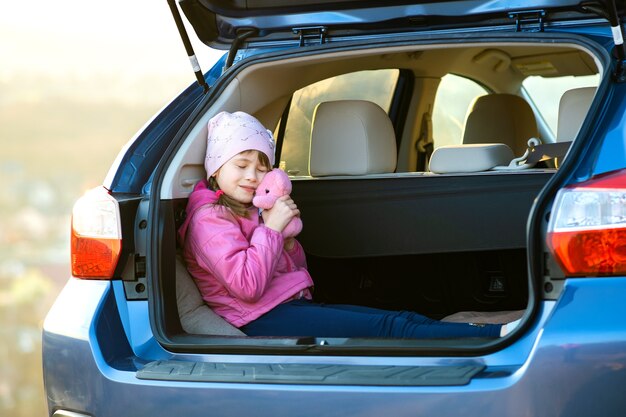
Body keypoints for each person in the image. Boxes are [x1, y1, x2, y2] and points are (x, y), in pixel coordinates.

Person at [178, 111, 519, 338]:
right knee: (390, 327)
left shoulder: (248, 209)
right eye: (241, 165)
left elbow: (291, 273)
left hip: (285, 307)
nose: (252, 176)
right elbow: (247, 285)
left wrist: (287, 241)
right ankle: (498, 337)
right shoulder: (209, 219)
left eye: (261, 166)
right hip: (257, 320)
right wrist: (272, 230)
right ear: (216, 167)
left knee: (404, 317)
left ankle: (502, 327)